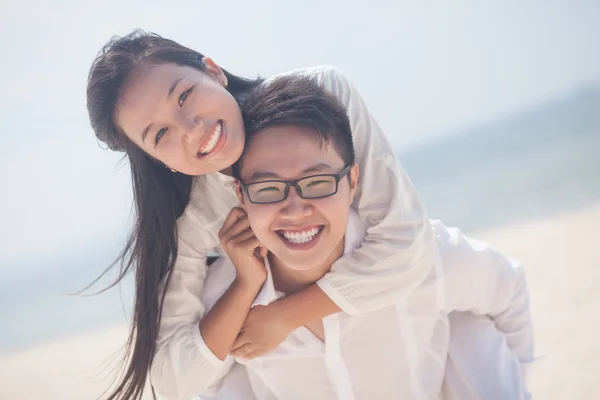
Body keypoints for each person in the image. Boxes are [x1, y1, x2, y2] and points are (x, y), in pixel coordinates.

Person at [86, 30, 438, 400]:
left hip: (416, 331)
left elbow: (409, 245)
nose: (191, 130)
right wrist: (245, 284)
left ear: (213, 70)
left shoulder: (322, 96)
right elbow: (172, 382)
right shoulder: (195, 219)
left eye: (185, 96)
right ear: (157, 160)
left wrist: (285, 316)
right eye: (160, 134)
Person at [197, 75, 535, 399]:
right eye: (268, 189)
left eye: (317, 183)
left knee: (473, 332)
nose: (296, 210)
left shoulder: (418, 257)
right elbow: (203, 384)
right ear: (241, 196)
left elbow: (507, 287)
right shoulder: (222, 299)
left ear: (353, 181)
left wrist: (514, 382)